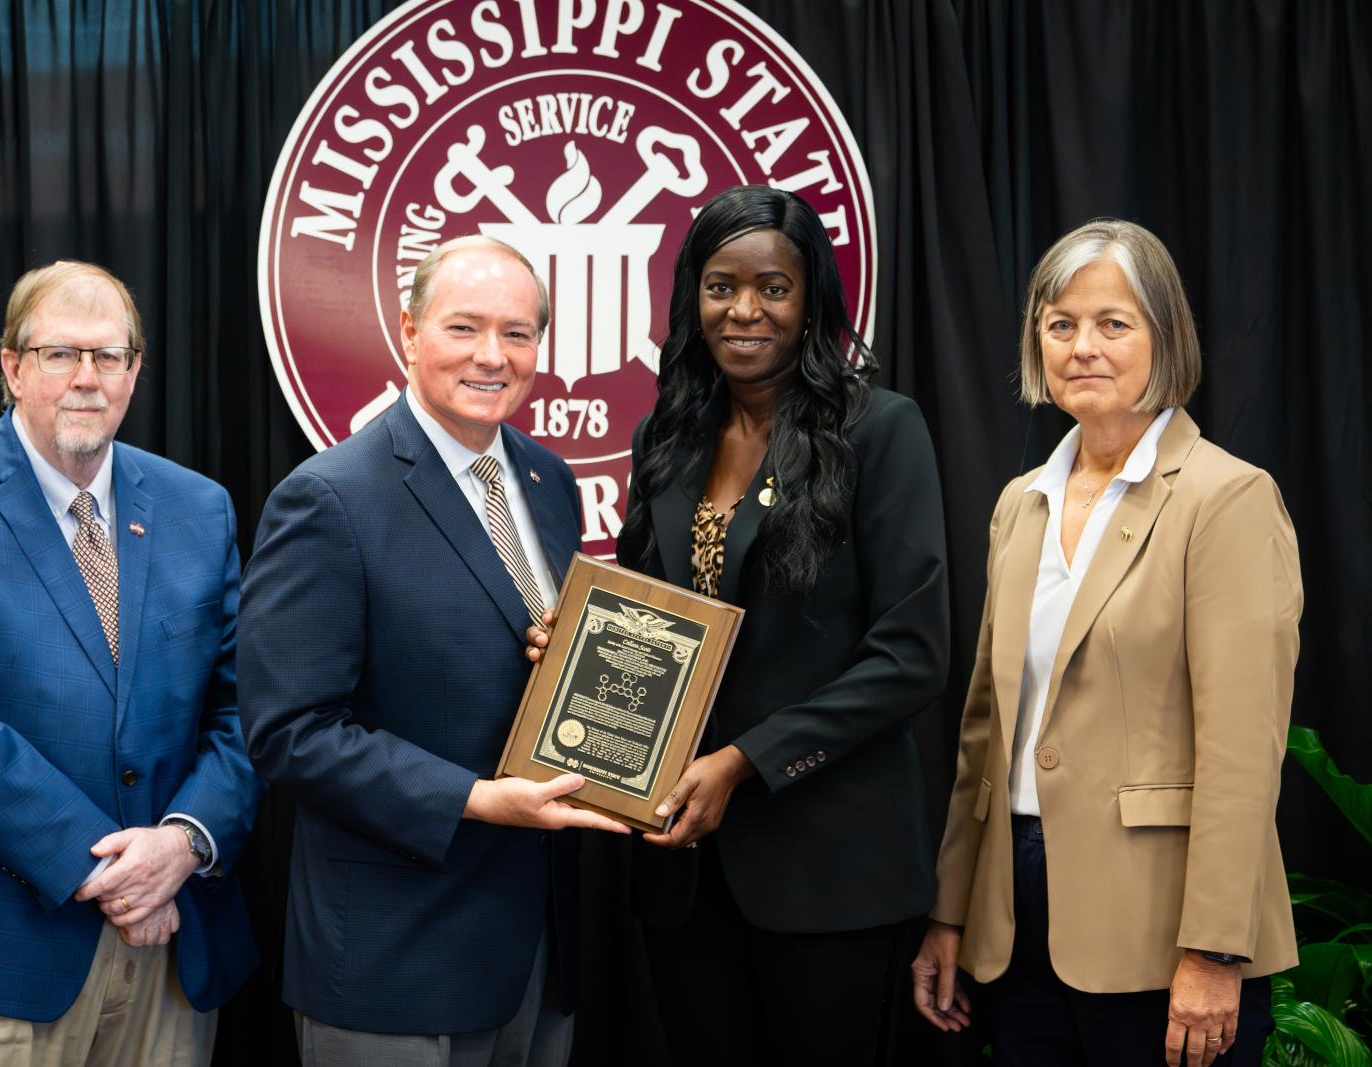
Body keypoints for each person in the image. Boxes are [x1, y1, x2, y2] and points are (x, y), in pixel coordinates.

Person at [911, 219, 1302, 1067]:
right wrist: (952, 910)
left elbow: (1242, 749)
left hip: (1163, 930)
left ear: (1166, 336)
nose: (1082, 345)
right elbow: (985, 732)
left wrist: (1214, 947)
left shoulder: (1227, 498)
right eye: (1060, 324)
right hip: (1016, 919)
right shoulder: (1021, 502)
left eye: (1112, 323)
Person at [0, 261, 264, 1065]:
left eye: (108, 355)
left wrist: (183, 843)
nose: (86, 377)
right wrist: (117, 874)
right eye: (59, 354)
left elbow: (247, 708)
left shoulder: (199, 507)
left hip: (169, 948)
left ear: (135, 370)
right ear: (12, 367)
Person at [238, 235, 630, 1067]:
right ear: (410, 332)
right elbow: (289, 732)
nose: (493, 355)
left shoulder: (549, 481)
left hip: (537, 950)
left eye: (517, 333)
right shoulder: (329, 497)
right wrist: (477, 799)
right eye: (465, 327)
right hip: (397, 959)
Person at [590, 184, 952, 1062]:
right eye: (721, 286)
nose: (744, 310)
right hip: (682, 866)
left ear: (811, 299)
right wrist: (580, 648)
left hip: (829, 865)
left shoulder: (880, 429)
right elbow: (650, 615)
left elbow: (911, 655)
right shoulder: (665, 436)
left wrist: (744, 761)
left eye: (773, 288)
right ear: (694, 298)